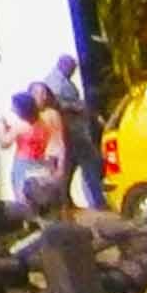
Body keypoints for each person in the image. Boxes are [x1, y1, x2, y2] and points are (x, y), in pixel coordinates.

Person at [53, 57, 108, 211]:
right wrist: (78, 106)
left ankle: (65, 201)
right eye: (72, 68)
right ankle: (97, 201)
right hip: (74, 132)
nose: (73, 71)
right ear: (65, 66)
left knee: (71, 168)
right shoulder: (57, 83)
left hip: (75, 131)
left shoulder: (61, 81)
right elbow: (58, 103)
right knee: (91, 164)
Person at [4, 85, 68, 214]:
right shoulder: (44, 120)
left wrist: (1, 127)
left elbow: (5, 142)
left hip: (31, 162)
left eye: (44, 93)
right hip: (40, 162)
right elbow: (58, 141)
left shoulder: (22, 124)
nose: (43, 97)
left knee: (26, 201)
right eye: (39, 93)